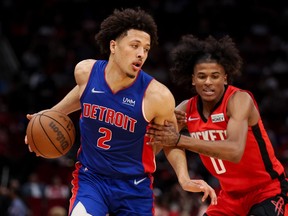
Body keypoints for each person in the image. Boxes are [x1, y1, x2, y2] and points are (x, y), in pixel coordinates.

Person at [24, 8, 217, 216]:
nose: (141, 53)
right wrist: (48, 116)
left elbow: (170, 140)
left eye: (146, 48)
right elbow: (81, 94)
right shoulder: (86, 72)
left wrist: (184, 178)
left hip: (134, 187)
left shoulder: (157, 96)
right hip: (92, 179)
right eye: (135, 46)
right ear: (113, 46)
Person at [146, 34, 288, 215]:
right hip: (229, 197)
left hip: (268, 191)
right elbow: (161, 143)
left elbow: (235, 151)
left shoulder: (239, 100)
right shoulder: (185, 109)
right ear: (193, 79)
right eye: (202, 76)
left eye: (215, 76)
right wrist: (184, 178)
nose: (208, 82)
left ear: (225, 78)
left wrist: (179, 139)